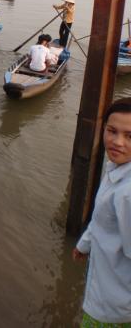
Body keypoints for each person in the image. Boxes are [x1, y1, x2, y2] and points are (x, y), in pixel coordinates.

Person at [73, 97, 131, 327]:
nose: (117, 142)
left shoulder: (127, 193)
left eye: (130, 136)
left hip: (114, 304)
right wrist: (85, 244)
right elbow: (102, 216)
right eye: (112, 131)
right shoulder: (115, 168)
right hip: (103, 277)